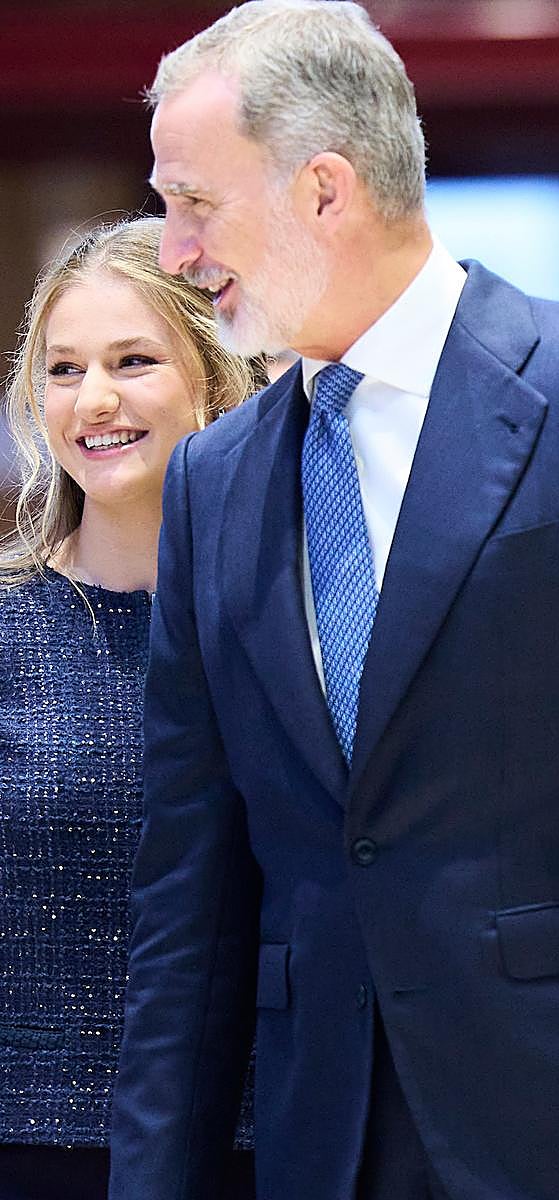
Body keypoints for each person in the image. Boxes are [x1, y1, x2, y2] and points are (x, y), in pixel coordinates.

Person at [108, 6, 559, 1200]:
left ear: (326, 190)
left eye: (194, 203)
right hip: (323, 1146)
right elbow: (191, 899)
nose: (173, 250)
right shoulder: (213, 485)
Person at [0, 216, 257, 1200]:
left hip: (264, 1141)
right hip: (30, 1149)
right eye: (63, 371)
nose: (94, 400)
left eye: (133, 360)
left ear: (216, 374)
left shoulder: (304, 626)